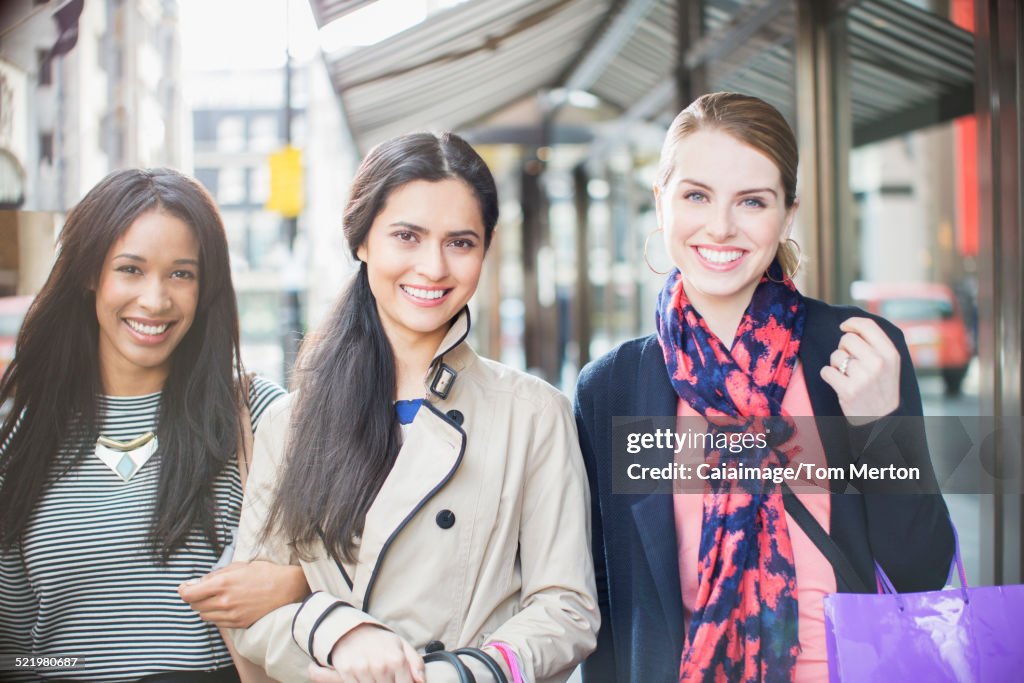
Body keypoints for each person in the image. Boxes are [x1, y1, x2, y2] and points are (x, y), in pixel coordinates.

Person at [574, 92, 955, 683]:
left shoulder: (854, 350)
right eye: (696, 195)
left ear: (788, 214)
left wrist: (881, 430)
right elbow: (607, 595)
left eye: (752, 201)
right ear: (661, 202)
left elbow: (922, 570)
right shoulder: (614, 387)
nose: (721, 226)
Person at [230, 132, 599, 683]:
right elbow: (252, 609)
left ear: (486, 248)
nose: (433, 267)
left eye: (460, 242)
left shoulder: (535, 413)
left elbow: (567, 611)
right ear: (362, 241)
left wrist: (461, 674)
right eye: (407, 236)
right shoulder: (291, 422)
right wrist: (340, 637)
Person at [0, 168, 302, 682]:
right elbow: (14, 654)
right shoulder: (23, 437)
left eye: (181, 274)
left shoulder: (258, 416)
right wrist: (74, 667)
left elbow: (361, 569)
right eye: (131, 270)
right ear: (90, 273)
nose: (156, 300)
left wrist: (299, 586)